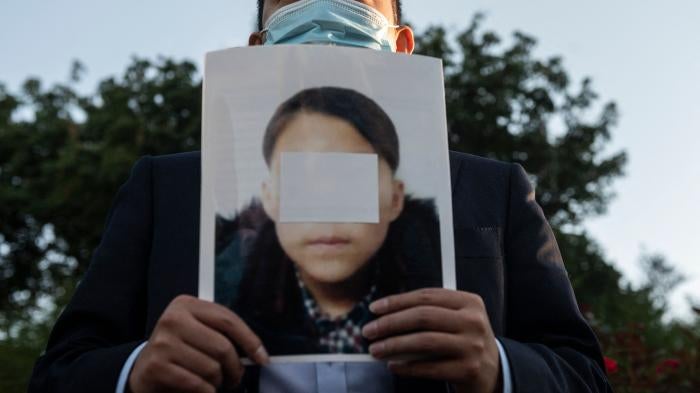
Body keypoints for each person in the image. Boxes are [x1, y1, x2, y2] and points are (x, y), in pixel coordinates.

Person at [28, 1, 612, 392]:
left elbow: (584, 374)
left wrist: (500, 366)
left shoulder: (493, 188)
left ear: (402, 45)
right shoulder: (167, 186)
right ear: (257, 45)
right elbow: (60, 371)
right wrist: (135, 370)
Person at [215, 87, 442, 356]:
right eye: (300, 181)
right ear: (270, 199)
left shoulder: (450, 282)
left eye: (353, 179)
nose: (326, 210)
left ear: (395, 199)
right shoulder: (217, 293)